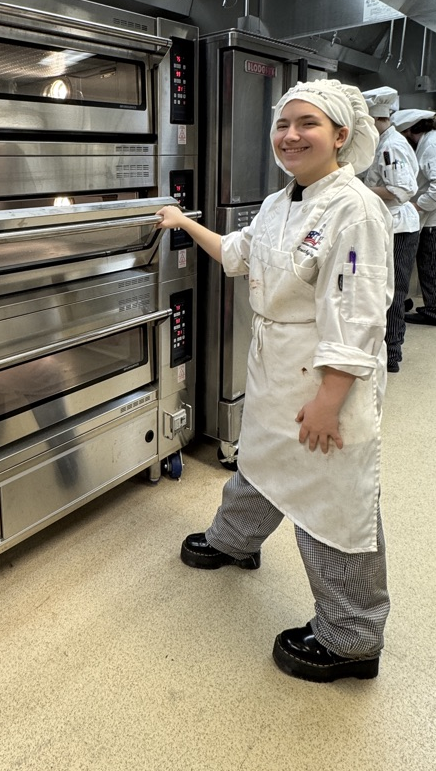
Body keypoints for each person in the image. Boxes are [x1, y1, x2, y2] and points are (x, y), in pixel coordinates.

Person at [157, 79, 393, 683]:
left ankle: (351, 638)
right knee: (260, 461)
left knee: (331, 504)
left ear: (341, 135)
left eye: (307, 124)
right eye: (283, 125)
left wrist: (329, 401)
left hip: (323, 383)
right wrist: (182, 222)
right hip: (273, 371)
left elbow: (357, 315)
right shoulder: (279, 202)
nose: (290, 136)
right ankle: (235, 541)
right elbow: (238, 253)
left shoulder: (355, 209)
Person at [361, 87, 419, 370]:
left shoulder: (389, 146)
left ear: (375, 120)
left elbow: (401, 189)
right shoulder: (388, 141)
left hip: (399, 226)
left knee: (393, 290)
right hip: (392, 224)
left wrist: (359, 189)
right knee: (385, 288)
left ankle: (392, 353)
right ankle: (385, 347)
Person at [391, 109, 436, 326]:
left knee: (429, 264)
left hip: (431, 220)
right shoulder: (430, 142)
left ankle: (433, 310)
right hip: (428, 217)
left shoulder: (430, 146)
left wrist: (418, 205)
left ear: (410, 129)